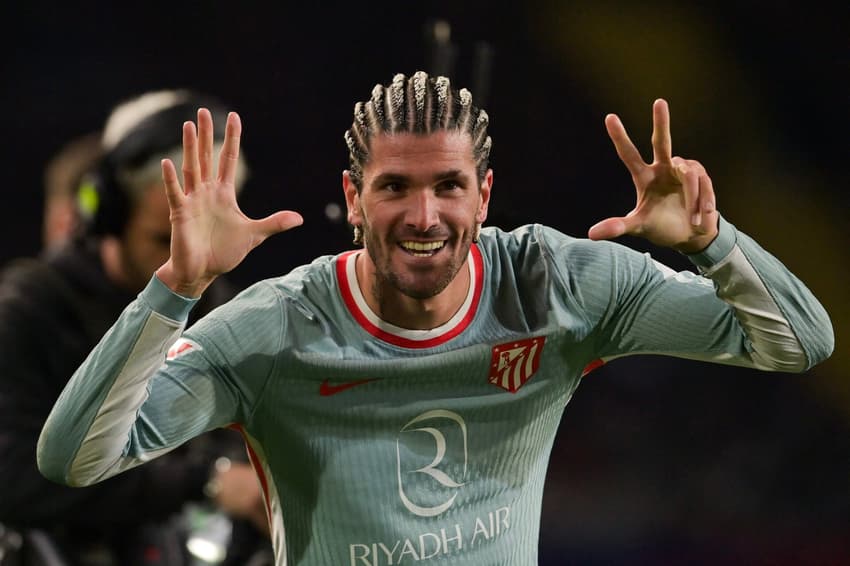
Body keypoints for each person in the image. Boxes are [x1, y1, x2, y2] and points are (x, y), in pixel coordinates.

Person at [37, 71, 833, 566]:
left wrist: (712, 243)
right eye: (394, 188)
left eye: (450, 185)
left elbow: (799, 342)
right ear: (353, 200)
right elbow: (73, 458)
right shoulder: (274, 330)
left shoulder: (558, 287)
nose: (425, 215)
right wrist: (174, 286)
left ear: (483, 196)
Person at [0, 89, 269, 565]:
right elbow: (14, 477)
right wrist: (206, 480)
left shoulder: (215, 305)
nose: (185, 261)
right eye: (162, 239)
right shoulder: (28, 305)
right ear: (109, 212)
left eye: (200, 240)